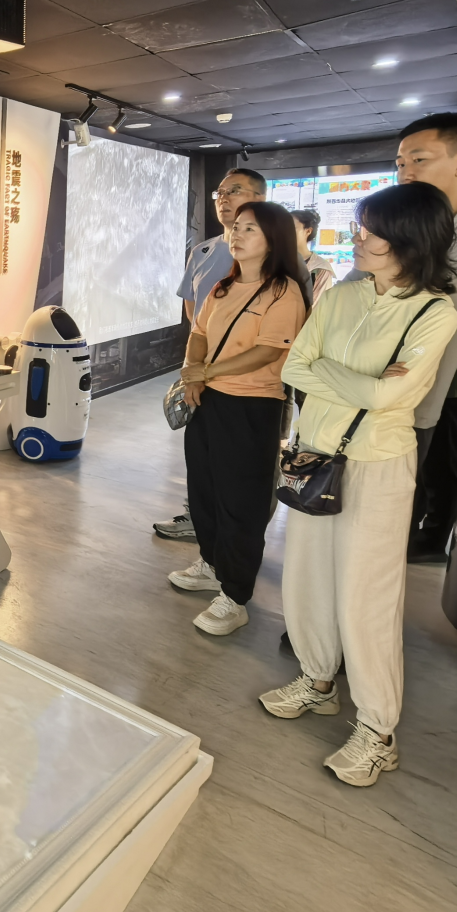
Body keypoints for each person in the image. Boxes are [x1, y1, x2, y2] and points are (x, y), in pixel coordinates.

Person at [260, 182, 457, 787]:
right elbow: (295, 366)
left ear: (410, 239)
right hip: (316, 453)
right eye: (360, 227)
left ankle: (377, 730)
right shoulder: (342, 294)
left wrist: (336, 374)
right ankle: (317, 679)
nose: (358, 238)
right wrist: (359, 381)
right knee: (307, 576)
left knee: (367, 596)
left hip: (378, 463)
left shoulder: (434, 311)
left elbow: (387, 397)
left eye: (371, 230)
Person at [340, 113, 457, 559]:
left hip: (419, 392)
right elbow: (343, 297)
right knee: (349, 510)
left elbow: (425, 310)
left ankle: (429, 542)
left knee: (403, 500)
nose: (406, 172)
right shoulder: (394, 225)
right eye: (400, 163)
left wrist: (371, 288)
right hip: (358, 388)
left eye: (419, 159)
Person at [169, 201, 310, 635]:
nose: (236, 234)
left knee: (241, 501)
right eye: (236, 227)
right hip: (208, 400)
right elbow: (198, 333)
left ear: (273, 239)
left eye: (250, 229)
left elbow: (267, 352)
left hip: (252, 407)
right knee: (205, 489)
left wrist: (206, 372)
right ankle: (212, 564)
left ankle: (235, 596)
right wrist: (193, 374)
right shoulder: (223, 287)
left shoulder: (284, 291)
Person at [155, 168, 268, 543]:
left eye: (235, 190)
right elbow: (194, 314)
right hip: (203, 372)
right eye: (220, 192)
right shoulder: (202, 251)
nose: (224, 198)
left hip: (251, 381)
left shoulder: (277, 255)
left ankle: (238, 536)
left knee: (244, 463)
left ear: (260, 199)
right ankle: (199, 519)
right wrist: (197, 364)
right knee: (201, 453)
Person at [291, 208, 336, 301]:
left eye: (291, 228)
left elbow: (317, 306)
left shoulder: (320, 269)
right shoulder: (273, 261)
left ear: (308, 231)